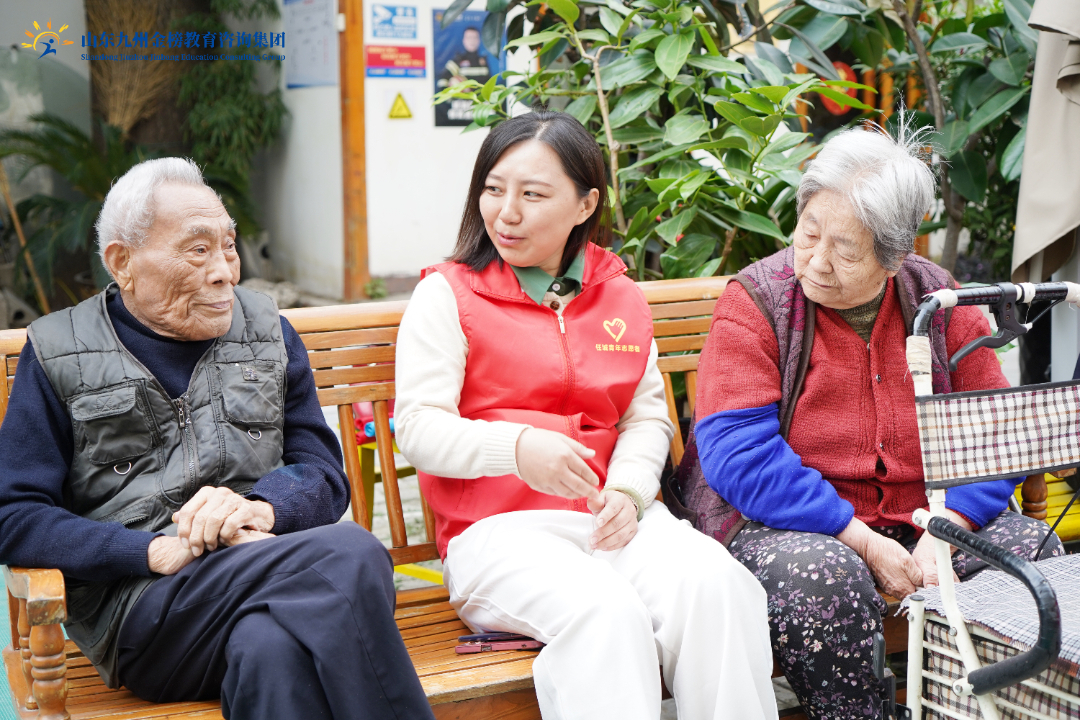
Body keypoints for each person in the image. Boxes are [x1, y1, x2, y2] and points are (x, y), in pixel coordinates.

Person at [0, 158, 434, 720]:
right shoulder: (59, 352)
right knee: (353, 553)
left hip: (266, 574)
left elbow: (324, 475)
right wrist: (148, 551)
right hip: (144, 610)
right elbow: (14, 515)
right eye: (198, 249)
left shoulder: (268, 332)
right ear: (122, 262)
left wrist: (257, 509)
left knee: (271, 651)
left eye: (229, 246)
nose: (225, 271)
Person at [395, 110, 777, 720]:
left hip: (611, 523)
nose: (506, 212)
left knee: (719, 588)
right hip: (495, 535)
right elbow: (418, 427)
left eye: (532, 194)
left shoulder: (619, 294)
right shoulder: (447, 295)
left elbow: (646, 419)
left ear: (585, 204)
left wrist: (629, 491)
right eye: (493, 189)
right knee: (606, 612)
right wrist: (517, 448)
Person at [683, 124, 1065, 720]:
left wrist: (948, 529)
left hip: (928, 521)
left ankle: (966, 708)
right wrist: (858, 537)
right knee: (825, 580)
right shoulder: (756, 303)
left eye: (846, 250)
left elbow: (996, 434)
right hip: (791, 528)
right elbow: (738, 456)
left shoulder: (939, 300)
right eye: (809, 233)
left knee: (1031, 551)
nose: (816, 262)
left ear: (895, 257)